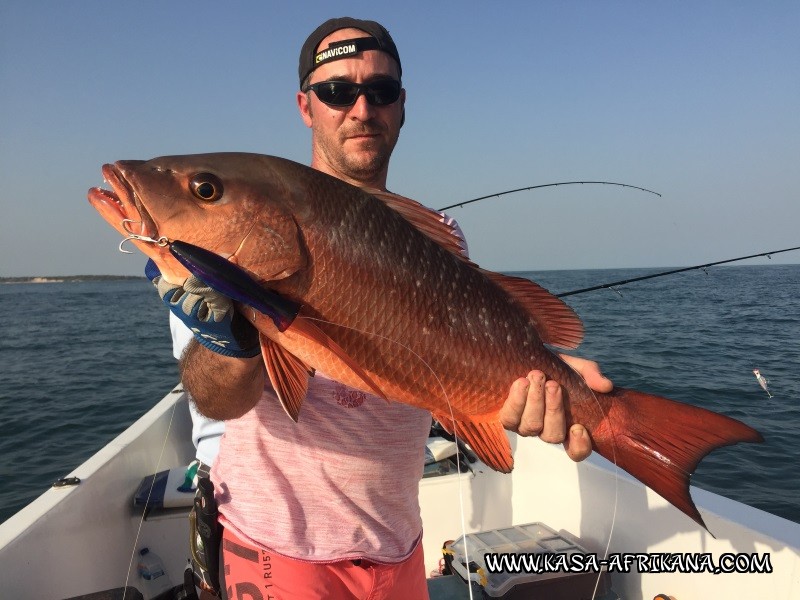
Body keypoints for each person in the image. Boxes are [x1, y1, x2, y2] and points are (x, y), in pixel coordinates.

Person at [153, 17, 612, 600]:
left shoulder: (442, 239)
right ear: (305, 106)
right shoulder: (220, 240)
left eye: (381, 91)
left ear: (401, 106)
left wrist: (550, 391)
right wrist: (230, 341)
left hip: (398, 545)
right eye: (337, 91)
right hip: (279, 545)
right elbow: (217, 400)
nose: (361, 108)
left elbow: (451, 374)